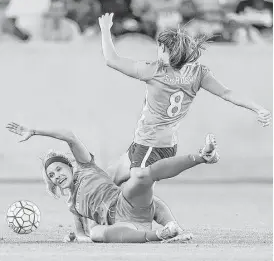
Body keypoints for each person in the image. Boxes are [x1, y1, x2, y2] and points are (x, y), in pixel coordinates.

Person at [98, 12, 271, 186]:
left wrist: (105, 29)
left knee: (137, 193)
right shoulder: (198, 73)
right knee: (111, 176)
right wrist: (258, 108)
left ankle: (202, 158)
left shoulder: (154, 71)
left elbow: (111, 60)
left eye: (160, 48)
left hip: (151, 144)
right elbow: (227, 93)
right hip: (160, 143)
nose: (158, 51)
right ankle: (85, 212)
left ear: (168, 52)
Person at [6, 122, 219, 243]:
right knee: (97, 233)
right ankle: (160, 235)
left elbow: (69, 136)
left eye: (58, 169)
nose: (57, 176)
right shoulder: (72, 205)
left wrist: (34, 131)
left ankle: (203, 157)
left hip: (127, 202)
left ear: (70, 166)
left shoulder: (86, 167)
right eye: (51, 176)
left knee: (141, 177)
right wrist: (77, 237)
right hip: (121, 225)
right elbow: (83, 235)